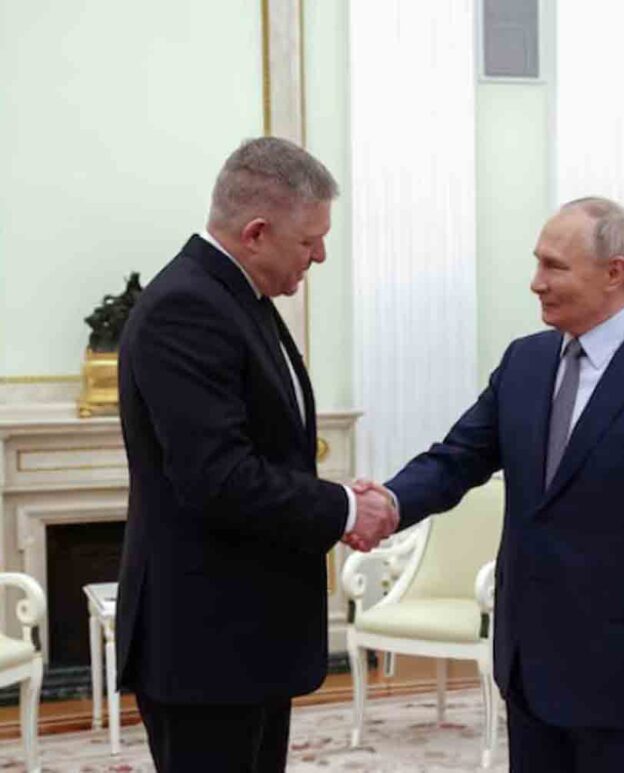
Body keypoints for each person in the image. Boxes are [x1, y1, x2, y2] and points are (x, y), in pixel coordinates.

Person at [354, 197, 624, 772]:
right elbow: (458, 458)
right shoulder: (524, 362)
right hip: (528, 667)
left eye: (554, 266)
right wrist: (389, 501)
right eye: (538, 264)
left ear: (614, 272)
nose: (536, 283)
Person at [115, 137, 397, 772]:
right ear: (257, 232)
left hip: (244, 636)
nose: (321, 255)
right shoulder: (187, 307)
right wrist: (343, 508)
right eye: (309, 241)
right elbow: (218, 477)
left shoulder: (237, 298)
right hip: (205, 641)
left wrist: (331, 500)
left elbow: (265, 449)